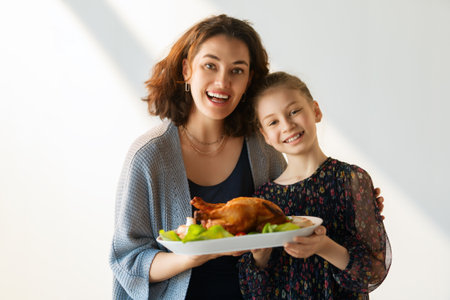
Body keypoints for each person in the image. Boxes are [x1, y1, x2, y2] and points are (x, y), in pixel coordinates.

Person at [109, 15, 385, 300]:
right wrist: (195, 254)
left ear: (249, 79)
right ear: (187, 69)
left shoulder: (262, 146)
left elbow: (286, 212)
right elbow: (127, 261)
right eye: (210, 65)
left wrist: (355, 202)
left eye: (237, 70)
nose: (222, 81)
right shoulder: (149, 156)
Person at [238, 71, 391, 299]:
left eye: (294, 111)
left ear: (316, 111)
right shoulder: (263, 200)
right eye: (273, 122)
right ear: (265, 135)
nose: (287, 125)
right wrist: (260, 256)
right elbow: (253, 292)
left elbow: (373, 270)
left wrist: (323, 246)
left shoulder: (351, 179)